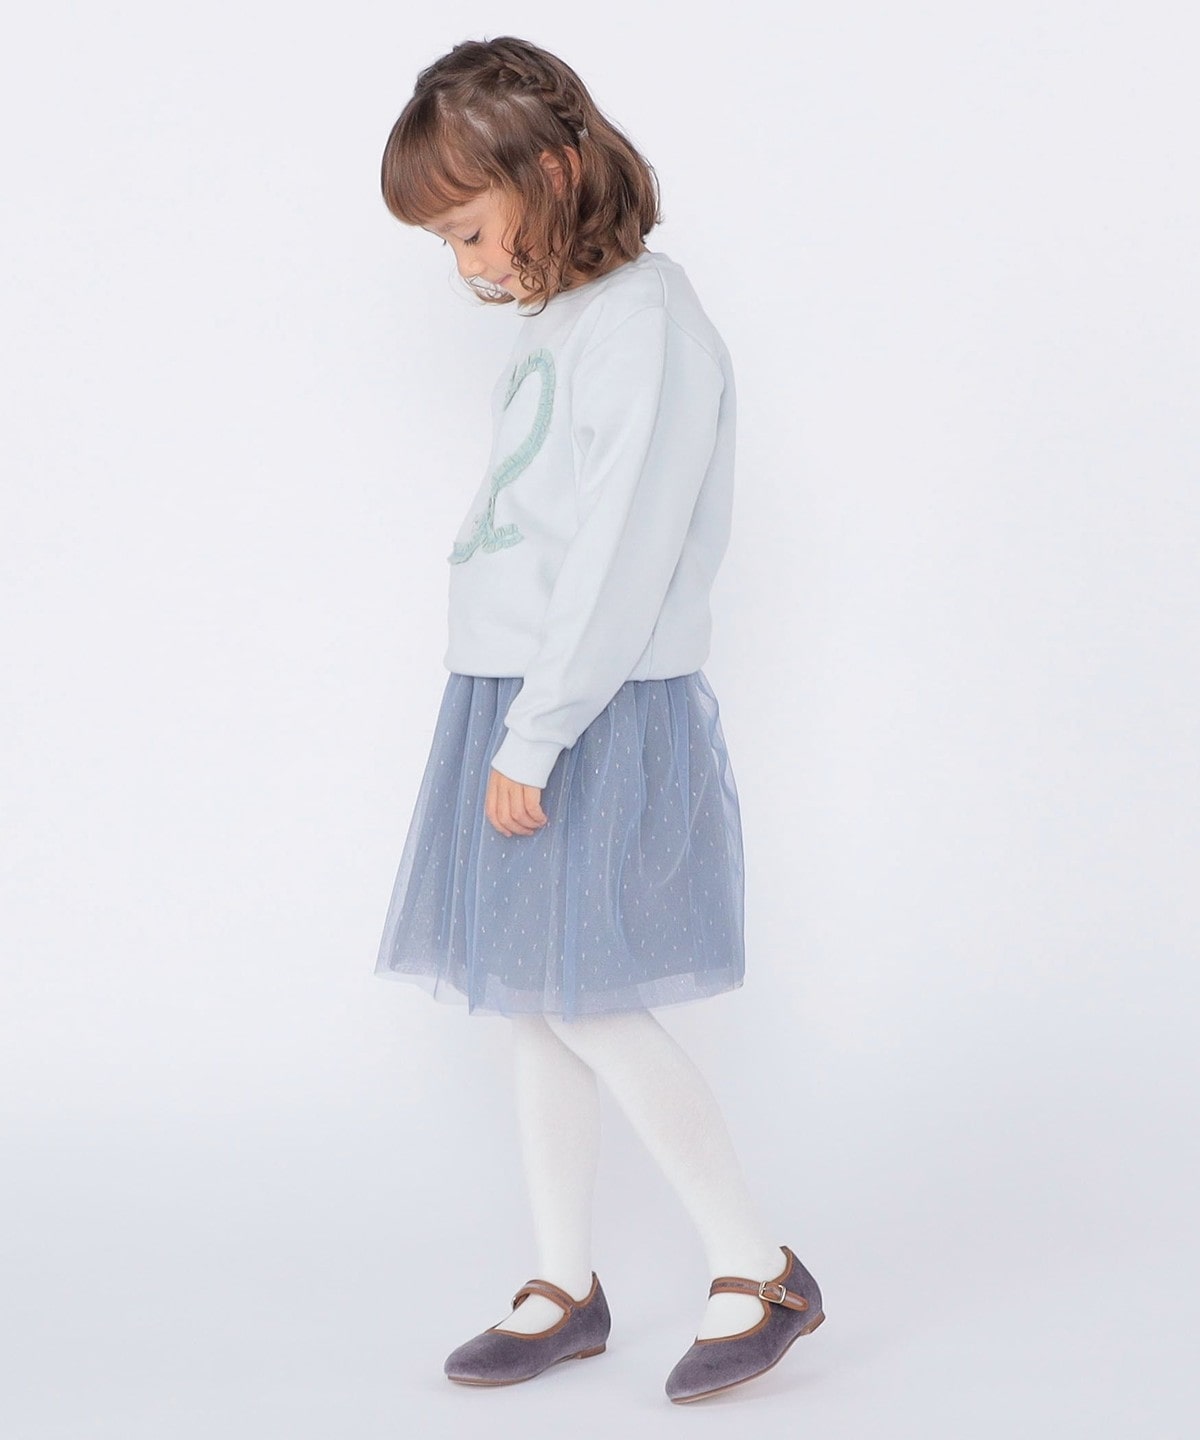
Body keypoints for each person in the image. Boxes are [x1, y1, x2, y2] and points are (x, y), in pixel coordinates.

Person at [372, 35, 825, 1403]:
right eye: (446, 243)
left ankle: (760, 1267)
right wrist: (507, 707)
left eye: (469, 229)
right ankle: (564, 1282)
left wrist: (538, 731)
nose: (465, 265)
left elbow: (623, 556)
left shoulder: (647, 325)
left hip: (589, 705)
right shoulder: (567, 319)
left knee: (594, 1003)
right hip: (520, 691)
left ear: (556, 172)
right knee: (537, 1001)